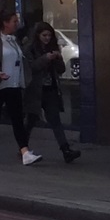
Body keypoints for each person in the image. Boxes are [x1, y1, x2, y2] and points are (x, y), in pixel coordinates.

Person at [0, 9, 41, 165]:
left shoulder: (14, 41)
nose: (16, 24)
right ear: (5, 23)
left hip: (13, 85)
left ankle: (25, 152)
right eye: (14, 21)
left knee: (17, 118)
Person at [22, 21, 81, 163]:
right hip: (35, 90)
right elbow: (32, 67)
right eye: (44, 35)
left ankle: (66, 150)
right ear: (37, 35)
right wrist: (46, 58)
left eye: (49, 35)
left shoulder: (53, 47)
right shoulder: (29, 49)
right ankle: (23, 148)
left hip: (50, 89)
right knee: (31, 120)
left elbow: (61, 70)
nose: (47, 38)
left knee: (55, 120)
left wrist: (58, 58)